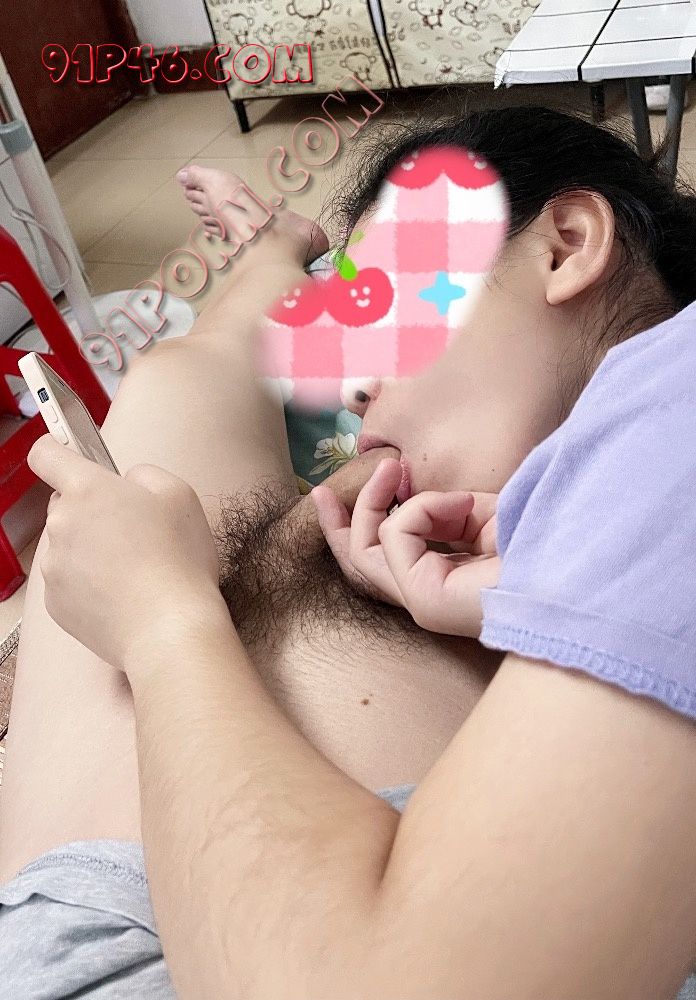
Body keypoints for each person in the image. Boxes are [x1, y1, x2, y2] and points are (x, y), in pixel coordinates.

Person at [1, 106, 696, 999]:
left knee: (184, 384)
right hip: (189, 877)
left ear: (564, 245)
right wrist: (521, 585)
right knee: (179, 377)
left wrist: (162, 622)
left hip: (184, 935)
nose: (357, 386)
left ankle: (271, 254)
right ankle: (274, 251)